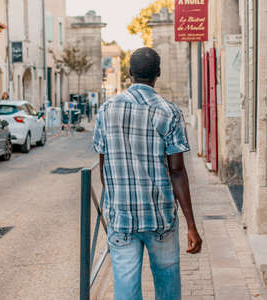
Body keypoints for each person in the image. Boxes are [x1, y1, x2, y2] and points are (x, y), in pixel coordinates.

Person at [93, 47, 202, 300]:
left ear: (130, 72)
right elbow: (177, 171)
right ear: (158, 74)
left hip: (122, 219)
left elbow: (103, 166)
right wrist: (191, 226)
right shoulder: (170, 112)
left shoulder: (106, 110)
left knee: (126, 289)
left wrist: (115, 202)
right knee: (167, 286)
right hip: (160, 217)